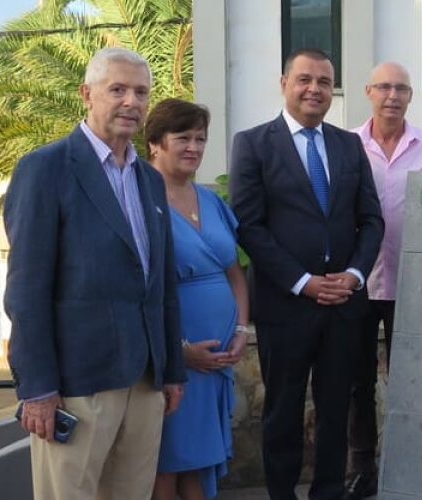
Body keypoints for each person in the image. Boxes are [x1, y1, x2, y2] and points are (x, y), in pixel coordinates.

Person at [3, 47, 185, 500]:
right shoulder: (44, 169)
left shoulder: (149, 179)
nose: (131, 102)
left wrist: (171, 370)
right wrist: (38, 387)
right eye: (117, 89)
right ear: (86, 94)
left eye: (140, 92)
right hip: (76, 386)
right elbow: (26, 290)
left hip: (143, 382)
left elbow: (160, 284)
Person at [228, 48, 384, 500]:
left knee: (337, 407)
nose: (314, 89)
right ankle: (282, 493)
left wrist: (354, 274)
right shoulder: (254, 143)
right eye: (304, 80)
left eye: (323, 81)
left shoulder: (348, 144)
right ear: (284, 83)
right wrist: (302, 281)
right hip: (287, 304)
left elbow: (371, 220)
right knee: (283, 408)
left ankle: (328, 492)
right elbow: (249, 225)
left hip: (343, 303)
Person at [345, 61, 422, 499]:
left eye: (401, 88)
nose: (392, 95)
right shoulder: (347, 145)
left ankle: (415, 463)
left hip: (414, 283)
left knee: (416, 379)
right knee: (358, 380)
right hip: (359, 283)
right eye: (384, 87)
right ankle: (362, 468)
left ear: (411, 96)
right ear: (369, 91)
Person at [143, 98, 249, 500]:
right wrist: (179, 352)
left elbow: (234, 272)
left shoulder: (211, 201)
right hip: (176, 366)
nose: (193, 147)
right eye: (182, 137)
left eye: (200, 139)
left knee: (200, 462)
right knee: (168, 464)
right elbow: (138, 290)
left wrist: (240, 328)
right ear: (155, 143)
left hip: (218, 360)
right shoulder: (141, 200)